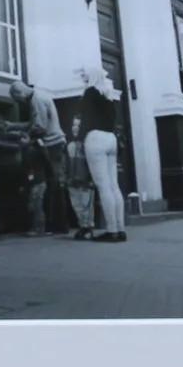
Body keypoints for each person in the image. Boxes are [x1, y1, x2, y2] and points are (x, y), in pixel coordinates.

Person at [9, 79, 76, 235]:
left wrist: (24, 136)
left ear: (20, 93)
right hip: (54, 144)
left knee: (54, 185)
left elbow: (39, 127)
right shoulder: (39, 95)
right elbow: (36, 122)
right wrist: (13, 126)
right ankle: (59, 226)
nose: (20, 102)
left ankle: (55, 226)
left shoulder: (35, 100)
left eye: (18, 99)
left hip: (52, 145)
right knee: (55, 184)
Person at [75, 76, 127, 243]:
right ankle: (121, 229)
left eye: (85, 79)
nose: (83, 82)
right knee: (114, 186)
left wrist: (79, 140)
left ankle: (111, 230)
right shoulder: (108, 96)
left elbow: (84, 118)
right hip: (111, 139)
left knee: (103, 186)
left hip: (95, 138)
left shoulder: (90, 93)